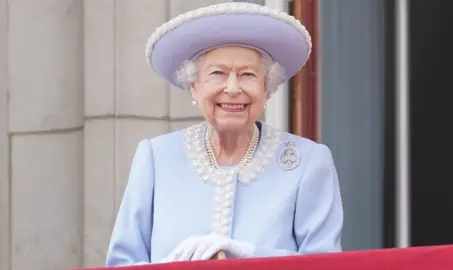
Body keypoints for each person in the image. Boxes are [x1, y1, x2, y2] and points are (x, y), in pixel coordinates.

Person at [105, 2, 344, 267]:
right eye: (217, 73)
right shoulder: (155, 157)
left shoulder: (309, 162)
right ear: (194, 86)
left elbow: (325, 263)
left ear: (267, 88)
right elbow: (121, 263)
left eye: (247, 75)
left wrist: (244, 253)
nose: (232, 88)